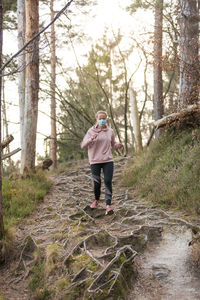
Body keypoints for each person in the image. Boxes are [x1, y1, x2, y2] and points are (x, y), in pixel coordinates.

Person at [81, 111, 123, 215]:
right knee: (97, 183)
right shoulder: (90, 131)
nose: (102, 120)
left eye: (104, 118)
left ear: (106, 119)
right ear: (96, 119)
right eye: (100, 118)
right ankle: (96, 200)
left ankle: (108, 205)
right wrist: (91, 138)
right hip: (95, 161)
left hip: (108, 160)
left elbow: (113, 143)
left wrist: (117, 145)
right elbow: (83, 145)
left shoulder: (110, 131)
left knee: (108, 182)